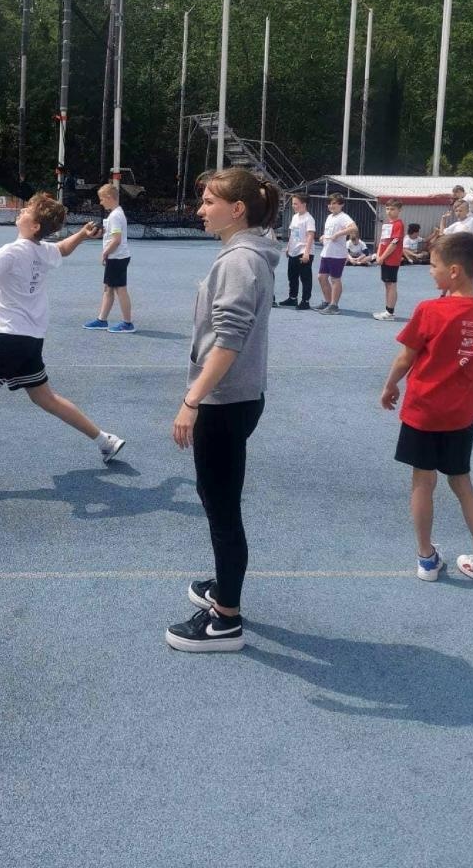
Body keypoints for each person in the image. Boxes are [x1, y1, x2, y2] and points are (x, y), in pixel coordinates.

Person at [0, 193, 125, 503]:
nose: (21, 211)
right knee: (46, 398)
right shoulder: (42, 250)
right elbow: (62, 249)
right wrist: (82, 235)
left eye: (26, 210)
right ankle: (104, 440)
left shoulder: (11, 251)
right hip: (30, 340)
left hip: (8, 339)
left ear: (34, 226)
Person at [165, 168, 282, 653]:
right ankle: (224, 587)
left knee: (221, 508)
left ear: (237, 210)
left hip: (224, 399)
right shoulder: (247, 253)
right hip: (241, 396)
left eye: (209, 201)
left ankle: (225, 619)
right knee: (218, 498)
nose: (200, 210)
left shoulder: (239, 261)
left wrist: (192, 401)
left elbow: (229, 341)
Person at [380, 232, 473, 587]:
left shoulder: (429, 310)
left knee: (422, 481)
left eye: (434, 266)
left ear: (454, 271)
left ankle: (426, 557)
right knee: (462, 483)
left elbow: (406, 356)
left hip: (423, 410)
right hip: (461, 413)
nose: (429, 271)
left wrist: (390, 384)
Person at [83, 183, 134, 333]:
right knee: (108, 289)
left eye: (102, 199)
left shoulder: (115, 216)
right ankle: (102, 319)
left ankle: (127, 323)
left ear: (109, 197)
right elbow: (112, 234)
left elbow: (117, 239)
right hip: (117, 256)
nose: (100, 202)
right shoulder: (116, 214)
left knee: (120, 290)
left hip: (117, 257)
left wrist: (105, 253)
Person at [317, 193, 356, 314]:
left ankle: (334, 305)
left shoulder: (344, 217)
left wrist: (338, 234)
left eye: (334, 203)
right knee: (321, 277)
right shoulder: (330, 217)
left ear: (341, 205)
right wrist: (324, 236)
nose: (331, 205)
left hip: (337, 254)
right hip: (326, 252)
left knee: (335, 279)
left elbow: (354, 228)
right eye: (330, 203)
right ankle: (328, 302)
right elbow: (330, 232)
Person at [279, 193, 315, 309]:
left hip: (303, 251)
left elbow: (310, 236)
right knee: (292, 276)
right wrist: (289, 247)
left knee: (305, 277)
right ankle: (293, 298)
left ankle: (305, 301)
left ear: (304, 204)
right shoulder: (295, 217)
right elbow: (292, 234)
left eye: (296, 203)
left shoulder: (309, 219)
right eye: (293, 203)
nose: (293, 206)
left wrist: (306, 252)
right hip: (293, 251)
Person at [373, 199, 405, 321]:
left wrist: (383, 256)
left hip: (392, 260)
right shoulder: (387, 225)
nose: (389, 211)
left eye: (392, 209)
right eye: (387, 209)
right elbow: (382, 241)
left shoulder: (398, 224)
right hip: (384, 259)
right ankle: (387, 310)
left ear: (399, 210)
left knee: (391, 285)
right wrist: (378, 255)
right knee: (387, 284)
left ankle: (390, 313)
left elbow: (394, 243)